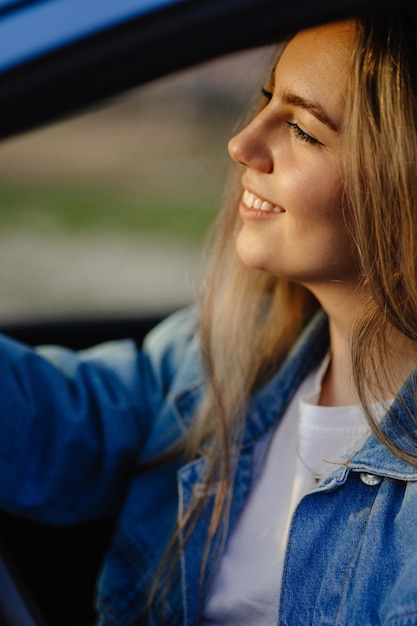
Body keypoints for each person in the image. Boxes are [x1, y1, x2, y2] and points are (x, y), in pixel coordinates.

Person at [1, 11, 417, 626]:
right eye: (266, 99)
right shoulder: (225, 351)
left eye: (302, 129)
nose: (243, 142)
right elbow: (54, 428)